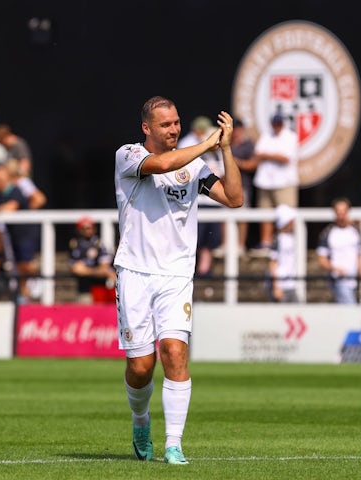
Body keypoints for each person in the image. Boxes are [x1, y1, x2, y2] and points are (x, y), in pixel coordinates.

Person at [113, 96, 242, 464]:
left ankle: (174, 444)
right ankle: (141, 419)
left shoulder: (196, 166)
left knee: (174, 353)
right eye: (166, 124)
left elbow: (234, 197)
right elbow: (164, 164)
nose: (173, 129)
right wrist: (208, 143)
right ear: (147, 128)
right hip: (135, 272)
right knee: (141, 367)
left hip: (176, 275)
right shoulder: (128, 155)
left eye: (176, 122)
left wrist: (226, 151)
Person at [0, 163, 40, 302]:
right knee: (12, 268)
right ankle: (22, 298)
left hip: (25, 235)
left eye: (1, 176)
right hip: (9, 239)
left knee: (25, 266)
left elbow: (11, 207)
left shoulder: (16, 190)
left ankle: (32, 288)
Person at [178, 116, 223, 276]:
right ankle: (190, 268)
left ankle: (204, 269)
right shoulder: (186, 144)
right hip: (196, 199)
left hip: (214, 199)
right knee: (193, 236)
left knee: (210, 239)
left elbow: (222, 172)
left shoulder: (214, 148)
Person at [251, 113, 299, 256]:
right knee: (265, 214)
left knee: (287, 215)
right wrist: (273, 155)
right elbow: (258, 153)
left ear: (283, 123)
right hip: (265, 182)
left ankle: (286, 244)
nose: (276, 126)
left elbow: (285, 158)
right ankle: (266, 243)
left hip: (284, 182)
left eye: (278, 123)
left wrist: (267, 155)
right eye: (274, 123)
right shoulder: (266, 135)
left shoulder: (290, 136)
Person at [316, 197, 361, 304]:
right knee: (350, 309)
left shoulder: (355, 231)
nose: (341, 214)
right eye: (338, 211)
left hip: (354, 280)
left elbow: (359, 256)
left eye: (344, 211)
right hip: (338, 280)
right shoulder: (328, 233)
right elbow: (321, 261)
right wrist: (336, 269)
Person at [68, 215, 116, 304]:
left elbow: (104, 268)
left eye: (90, 228)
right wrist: (97, 271)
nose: (88, 231)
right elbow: (76, 268)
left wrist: (87, 270)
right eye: (85, 228)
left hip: (100, 288)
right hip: (84, 289)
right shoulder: (75, 244)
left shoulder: (98, 244)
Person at [231, 118, 258, 255]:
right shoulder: (227, 143)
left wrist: (236, 163)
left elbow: (253, 164)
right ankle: (226, 245)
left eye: (237, 128)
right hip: (226, 185)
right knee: (225, 216)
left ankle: (240, 245)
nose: (235, 131)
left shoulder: (248, 145)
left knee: (242, 217)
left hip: (243, 186)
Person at [268, 204, 300, 302]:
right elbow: (273, 263)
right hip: (281, 285)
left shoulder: (293, 237)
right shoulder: (278, 239)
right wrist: (276, 287)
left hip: (291, 284)